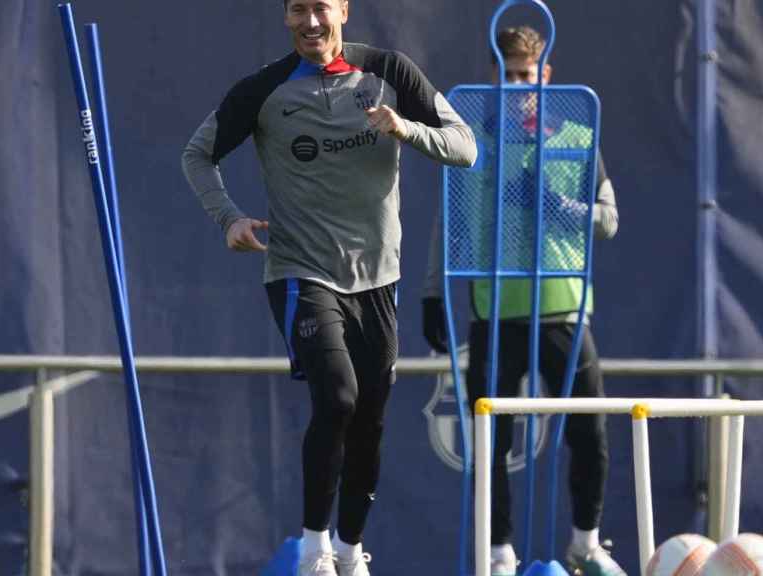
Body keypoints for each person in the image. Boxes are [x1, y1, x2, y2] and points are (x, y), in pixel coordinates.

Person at [182, 1, 477, 574]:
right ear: (285, 17)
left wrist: (404, 127)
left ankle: (349, 550)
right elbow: (198, 155)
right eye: (298, 10)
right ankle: (314, 549)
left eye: (321, 7)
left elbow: (465, 146)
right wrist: (229, 218)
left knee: (371, 413)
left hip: (379, 280)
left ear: (343, 9)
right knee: (338, 396)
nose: (310, 22)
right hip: (302, 271)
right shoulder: (265, 89)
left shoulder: (389, 72)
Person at [421, 26, 625, 576]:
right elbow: (450, 223)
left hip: (564, 308)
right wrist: (432, 293)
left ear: (546, 77)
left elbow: (608, 220)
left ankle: (585, 542)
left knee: (590, 431)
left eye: (526, 75)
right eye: (507, 75)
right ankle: (500, 553)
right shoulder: (475, 144)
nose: (517, 85)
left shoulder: (579, 135)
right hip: (495, 312)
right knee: (490, 439)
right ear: (494, 78)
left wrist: (561, 208)